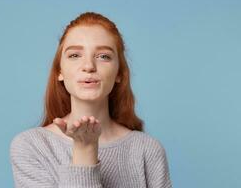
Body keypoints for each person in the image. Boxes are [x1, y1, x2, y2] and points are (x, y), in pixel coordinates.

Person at [10, 12, 172, 188]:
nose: (88, 66)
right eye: (74, 55)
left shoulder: (147, 150)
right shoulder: (32, 146)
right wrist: (84, 150)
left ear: (119, 73)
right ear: (60, 71)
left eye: (103, 56)